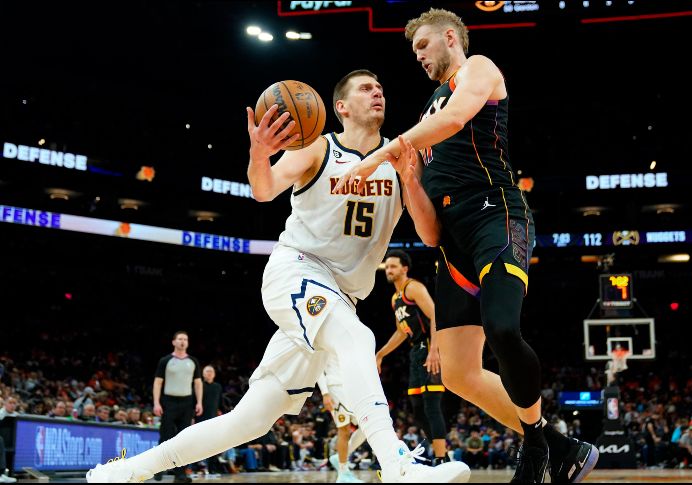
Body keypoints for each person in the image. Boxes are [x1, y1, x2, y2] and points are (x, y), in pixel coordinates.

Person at [87, 69, 469, 483]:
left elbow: (430, 235)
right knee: (357, 338)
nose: (377, 92)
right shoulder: (317, 149)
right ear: (340, 107)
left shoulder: (399, 159)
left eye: (379, 87)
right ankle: (398, 465)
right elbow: (264, 189)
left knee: (250, 420)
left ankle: (127, 470)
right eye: (365, 88)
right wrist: (258, 152)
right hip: (298, 271)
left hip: (340, 298)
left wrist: (411, 178)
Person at [333, 8, 598, 483]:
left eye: (423, 47)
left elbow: (456, 119)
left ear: (450, 38)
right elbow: (430, 233)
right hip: (452, 243)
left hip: (496, 217)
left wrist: (380, 154)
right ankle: (560, 448)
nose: (417, 57)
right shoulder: (423, 117)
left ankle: (537, 448)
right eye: (414, 51)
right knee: (456, 373)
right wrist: (410, 180)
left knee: (501, 328)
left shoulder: (478, 70)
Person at [376, 250, 448, 464]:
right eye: (387, 267)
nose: (389, 270)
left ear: (404, 268)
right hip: (416, 349)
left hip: (429, 345)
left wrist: (435, 349)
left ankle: (441, 458)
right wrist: (380, 354)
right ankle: (440, 452)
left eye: (393, 266)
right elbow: (401, 332)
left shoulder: (413, 287)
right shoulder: (395, 298)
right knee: (417, 408)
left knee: (431, 404)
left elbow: (436, 315)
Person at [153, 331, 203, 483]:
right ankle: (158, 467)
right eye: (180, 339)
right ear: (173, 342)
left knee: (183, 439)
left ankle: (180, 474)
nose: (183, 341)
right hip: (168, 402)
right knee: (165, 436)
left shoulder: (193, 361)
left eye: (185, 339)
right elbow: (158, 382)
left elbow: (198, 383)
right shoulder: (165, 360)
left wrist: (199, 402)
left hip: (187, 403)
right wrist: (156, 402)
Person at [318, 364, 366, 483]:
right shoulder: (324, 345)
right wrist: (325, 393)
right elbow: (317, 367)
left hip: (352, 388)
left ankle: (340, 457)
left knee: (367, 426)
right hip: (335, 387)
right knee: (344, 429)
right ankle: (343, 473)